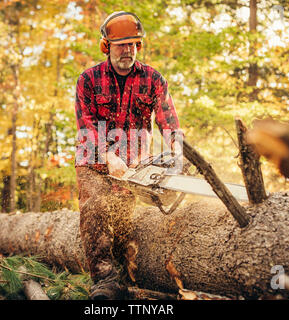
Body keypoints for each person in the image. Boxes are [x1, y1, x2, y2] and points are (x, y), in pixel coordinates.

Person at [74, 11, 183, 300]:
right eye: (122, 45)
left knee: (124, 222)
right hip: (94, 161)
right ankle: (104, 282)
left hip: (135, 164)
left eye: (133, 44)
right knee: (97, 209)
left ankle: (128, 274)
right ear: (106, 46)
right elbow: (86, 125)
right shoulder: (88, 80)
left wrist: (179, 153)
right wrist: (107, 156)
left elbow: (168, 121)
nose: (128, 50)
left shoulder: (153, 79)